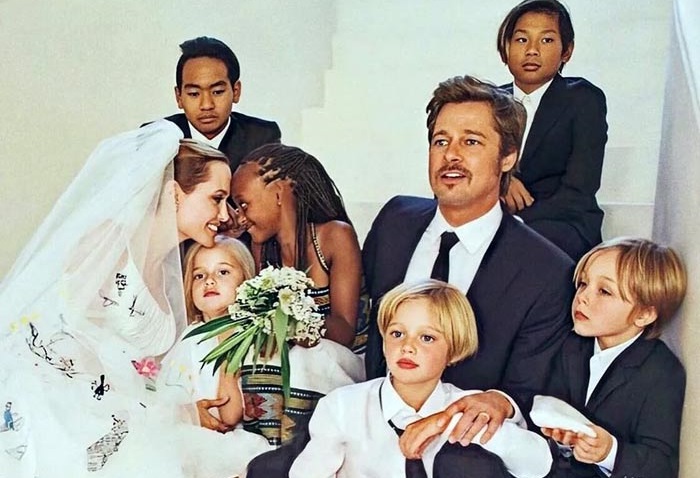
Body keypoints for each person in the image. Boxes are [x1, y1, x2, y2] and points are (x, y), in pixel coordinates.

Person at [0, 121, 241, 477]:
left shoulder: (173, 276)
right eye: (216, 199)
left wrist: (181, 410)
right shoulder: (108, 243)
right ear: (175, 193)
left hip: (126, 413)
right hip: (62, 405)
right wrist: (144, 410)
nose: (223, 214)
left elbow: (149, 374)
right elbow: (62, 333)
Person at [362, 75, 573, 469]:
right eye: (441, 141)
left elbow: (526, 388)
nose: (451, 156)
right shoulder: (395, 220)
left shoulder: (546, 271)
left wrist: (499, 402)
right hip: (367, 430)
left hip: (460, 451)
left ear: (508, 157)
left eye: (471, 142)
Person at [290, 279, 553, 478]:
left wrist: (444, 421)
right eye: (397, 334)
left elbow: (538, 464)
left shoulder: (466, 406)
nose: (407, 347)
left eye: (427, 338)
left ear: (453, 351)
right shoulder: (342, 406)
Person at [533, 237, 687, 478]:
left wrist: (609, 452)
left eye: (604, 291)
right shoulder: (569, 346)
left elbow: (662, 464)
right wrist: (561, 439)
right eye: (583, 283)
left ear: (644, 314)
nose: (582, 297)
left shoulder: (661, 371)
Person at [497, 0, 608, 261]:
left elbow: (578, 192)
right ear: (506, 48)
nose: (532, 50)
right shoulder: (487, 102)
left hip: (563, 222)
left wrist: (508, 223)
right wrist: (500, 180)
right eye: (521, 40)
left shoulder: (583, 99)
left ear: (566, 51)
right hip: (494, 217)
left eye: (546, 40)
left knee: (518, 247)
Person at [158, 236, 273, 476]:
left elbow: (229, 415)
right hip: (187, 433)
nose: (209, 280)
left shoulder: (247, 334)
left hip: (223, 439)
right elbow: (167, 393)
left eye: (223, 272)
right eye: (199, 275)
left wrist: (225, 343)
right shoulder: (191, 336)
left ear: (246, 282)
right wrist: (187, 412)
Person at [160, 36, 281, 170]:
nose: (206, 105)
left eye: (217, 92)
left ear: (236, 91)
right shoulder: (158, 137)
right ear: (179, 97)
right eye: (194, 94)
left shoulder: (261, 137)